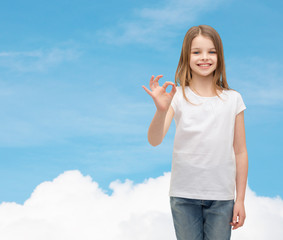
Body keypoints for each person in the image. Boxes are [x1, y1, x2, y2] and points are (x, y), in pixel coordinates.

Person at [142, 25, 248, 240]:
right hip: (184, 196)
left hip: (221, 197)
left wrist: (240, 200)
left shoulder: (233, 99)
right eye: (196, 52)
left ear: (219, 55)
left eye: (211, 51)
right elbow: (154, 140)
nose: (204, 58)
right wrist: (161, 111)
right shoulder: (177, 96)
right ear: (186, 57)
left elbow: (240, 152)